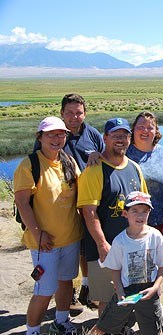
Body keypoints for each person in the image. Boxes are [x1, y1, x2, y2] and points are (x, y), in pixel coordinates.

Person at [33, 93, 104, 309]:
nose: (74, 117)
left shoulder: (91, 133)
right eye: (70, 113)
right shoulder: (52, 135)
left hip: (89, 200)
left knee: (84, 245)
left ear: (85, 113)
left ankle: (86, 286)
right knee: (66, 249)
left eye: (79, 112)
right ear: (62, 113)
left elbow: (105, 156)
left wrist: (97, 156)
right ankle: (67, 295)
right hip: (60, 205)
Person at [14, 116, 82, 335]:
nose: (57, 138)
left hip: (70, 237)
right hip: (44, 243)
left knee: (66, 282)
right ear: (40, 137)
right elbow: (22, 202)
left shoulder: (68, 161)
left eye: (61, 134)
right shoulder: (29, 165)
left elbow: (81, 192)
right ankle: (32, 331)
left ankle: (61, 321)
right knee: (44, 290)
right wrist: (38, 233)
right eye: (51, 134)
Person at [77, 117, 148, 316]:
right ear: (105, 138)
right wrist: (101, 244)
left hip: (132, 246)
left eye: (125, 135)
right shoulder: (94, 170)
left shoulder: (134, 167)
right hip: (105, 249)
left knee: (131, 295)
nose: (121, 140)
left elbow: (143, 207)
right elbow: (89, 212)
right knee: (108, 299)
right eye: (115, 135)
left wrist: (144, 239)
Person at [89, 191, 163, 335]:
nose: (140, 216)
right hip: (125, 291)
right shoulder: (120, 241)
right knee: (102, 327)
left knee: (154, 330)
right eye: (134, 211)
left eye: (144, 211)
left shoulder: (155, 236)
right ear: (125, 213)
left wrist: (156, 287)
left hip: (149, 290)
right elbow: (115, 269)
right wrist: (119, 290)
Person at [127, 112, 163, 246]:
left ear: (156, 131)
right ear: (133, 129)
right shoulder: (125, 153)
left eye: (150, 127)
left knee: (162, 263)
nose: (145, 131)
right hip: (134, 224)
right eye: (140, 127)